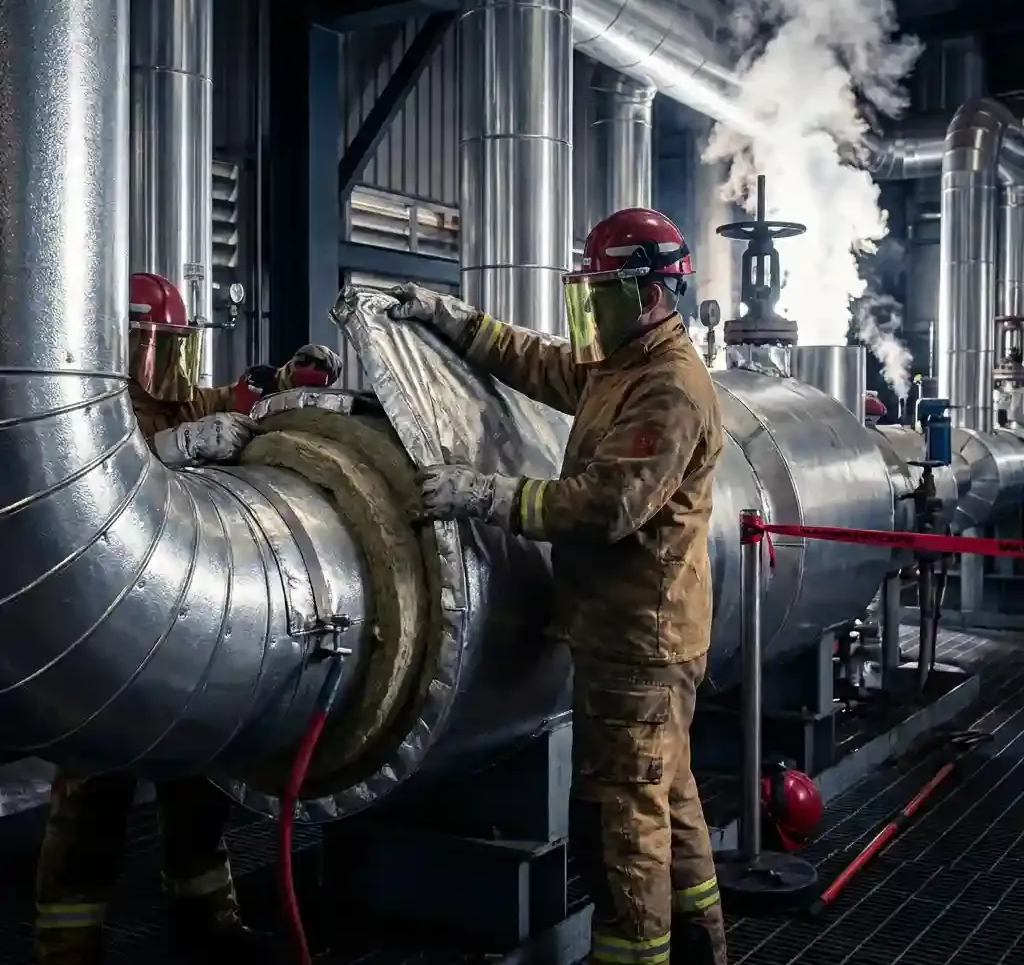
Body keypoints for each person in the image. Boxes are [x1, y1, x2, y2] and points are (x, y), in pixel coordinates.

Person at [388, 208, 727, 965]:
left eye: (603, 293)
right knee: (667, 798)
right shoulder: (627, 364)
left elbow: (608, 505)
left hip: (640, 640)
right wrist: (455, 320)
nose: (592, 311)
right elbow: (544, 364)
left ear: (649, 292)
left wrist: (488, 497)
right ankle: (703, 948)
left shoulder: (667, 388)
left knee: (624, 823)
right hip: (634, 632)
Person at [34, 272, 343, 965]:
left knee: (199, 784)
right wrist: (172, 454)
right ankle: (67, 945)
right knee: (92, 794)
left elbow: (225, 404)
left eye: (174, 349)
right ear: (121, 344)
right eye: (155, 349)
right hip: (107, 639)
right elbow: (92, 485)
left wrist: (277, 388)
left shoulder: (177, 401)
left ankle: (208, 917)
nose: (167, 368)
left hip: (182, 631)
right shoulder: (85, 410)